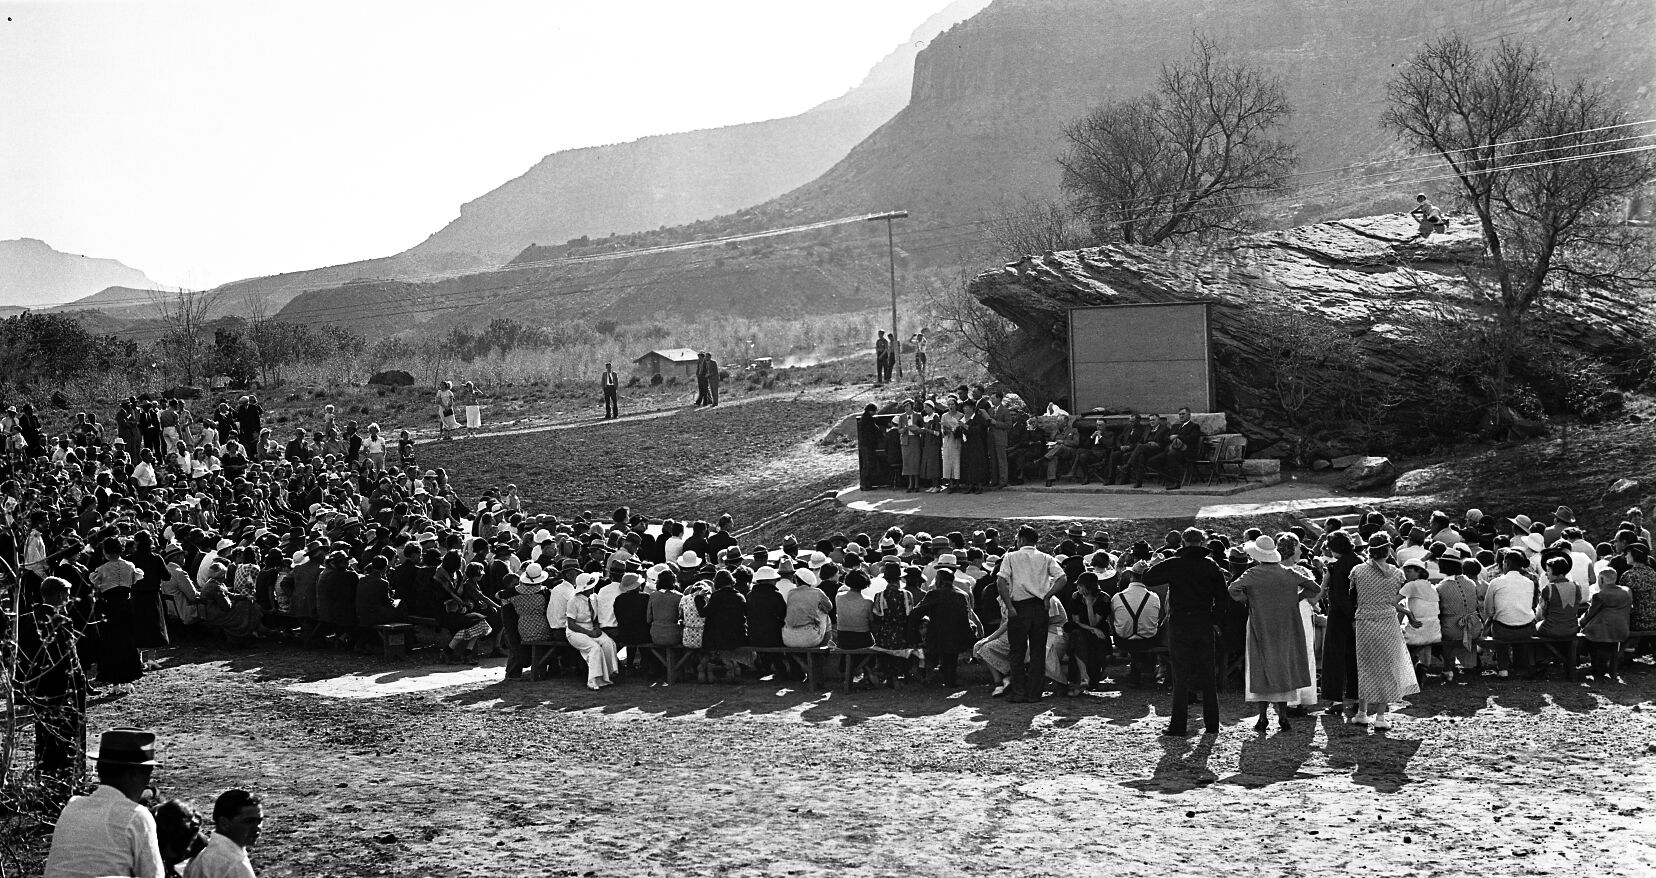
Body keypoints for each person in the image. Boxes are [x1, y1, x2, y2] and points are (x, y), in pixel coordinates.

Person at [1141, 527, 1230, 736]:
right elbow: (1223, 599)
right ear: (1202, 542)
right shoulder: (1210, 566)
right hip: (1203, 621)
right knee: (1208, 674)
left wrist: (1154, 564)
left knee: (1180, 675)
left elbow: (1148, 579)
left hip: (1180, 622)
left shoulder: (1174, 564)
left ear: (1183, 542)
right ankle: (1212, 724)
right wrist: (1214, 619)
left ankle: (1178, 725)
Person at [43, 728, 165, 878]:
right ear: (134, 774)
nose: (147, 781)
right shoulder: (137, 816)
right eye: (148, 773)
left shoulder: (72, 807)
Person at [1228, 536, 1321, 732]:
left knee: (1260, 664)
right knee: (1283, 665)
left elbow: (1233, 588)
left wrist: (1249, 600)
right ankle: (1283, 717)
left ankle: (1262, 717)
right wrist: (1296, 599)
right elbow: (1315, 588)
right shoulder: (1288, 573)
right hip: (1286, 624)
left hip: (1260, 622)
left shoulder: (1253, 573)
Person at [1350, 534, 1423, 729]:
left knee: (1365, 666)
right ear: (1388, 549)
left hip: (1365, 622)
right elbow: (1393, 600)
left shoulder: (1357, 571)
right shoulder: (1398, 573)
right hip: (1388, 623)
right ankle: (1380, 717)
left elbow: (1354, 597)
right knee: (1388, 667)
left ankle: (1362, 712)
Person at [997, 525, 1061, 703]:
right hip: (1040, 607)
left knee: (1017, 652)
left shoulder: (1010, 557)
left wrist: (1009, 607)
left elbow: (1001, 582)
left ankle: (1018, 692)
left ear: (1021, 539)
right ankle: (1034, 693)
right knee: (1038, 651)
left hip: (1019, 607)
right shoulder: (1046, 558)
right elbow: (1062, 578)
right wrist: (1048, 596)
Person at [182, 789, 263, 878]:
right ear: (224, 823)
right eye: (249, 821)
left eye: (259, 821)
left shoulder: (201, 856)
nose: (257, 827)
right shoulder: (235, 865)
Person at [565, 573, 619, 689]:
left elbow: (594, 617)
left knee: (608, 643)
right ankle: (593, 680)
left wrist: (597, 628)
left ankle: (609, 674)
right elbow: (571, 624)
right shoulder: (573, 601)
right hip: (575, 632)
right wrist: (589, 633)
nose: (592, 588)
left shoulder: (594, 598)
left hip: (591, 628)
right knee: (594, 648)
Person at [1578, 567, 1631, 682]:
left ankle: (1596, 666)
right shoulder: (1627, 591)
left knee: (1585, 634)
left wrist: (1580, 622)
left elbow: (1589, 615)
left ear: (1601, 579)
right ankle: (1602, 666)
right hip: (1622, 629)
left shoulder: (1600, 595)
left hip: (1601, 632)